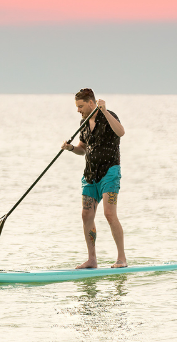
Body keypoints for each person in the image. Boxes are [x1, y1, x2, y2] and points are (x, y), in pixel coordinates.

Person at [60, 88, 126, 269]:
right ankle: (92, 259)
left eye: (80, 106)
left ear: (91, 103)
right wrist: (71, 148)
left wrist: (104, 110)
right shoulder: (83, 122)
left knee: (109, 213)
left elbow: (121, 132)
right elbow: (83, 148)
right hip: (90, 174)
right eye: (77, 107)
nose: (78, 110)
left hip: (109, 172)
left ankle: (122, 258)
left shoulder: (109, 115)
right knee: (86, 215)